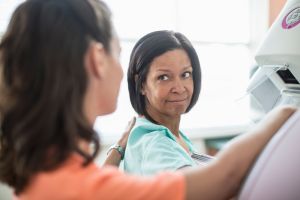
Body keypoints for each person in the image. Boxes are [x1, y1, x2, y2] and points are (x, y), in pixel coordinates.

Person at [0, 0, 296, 200]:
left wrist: (118, 147)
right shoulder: (82, 184)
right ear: (96, 60)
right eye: (117, 53)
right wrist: (288, 109)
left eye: (186, 74)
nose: (179, 86)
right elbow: (223, 177)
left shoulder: (48, 170)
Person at [124, 30, 204, 175]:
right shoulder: (154, 143)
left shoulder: (173, 134)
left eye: (185, 74)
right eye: (164, 77)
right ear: (141, 84)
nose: (179, 89)